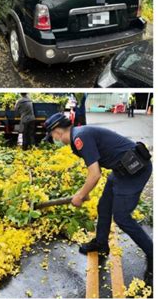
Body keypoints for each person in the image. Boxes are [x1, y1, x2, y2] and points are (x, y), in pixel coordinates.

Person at [44, 113, 153, 283]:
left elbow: (95, 174)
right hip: (121, 170)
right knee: (104, 207)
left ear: (57, 132)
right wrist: (83, 191)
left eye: (52, 136)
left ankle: (153, 253)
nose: (54, 139)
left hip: (135, 170)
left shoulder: (80, 138)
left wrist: (80, 195)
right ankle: (101, 243)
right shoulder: (78, 136)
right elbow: (95, 171)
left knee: (122, 217)